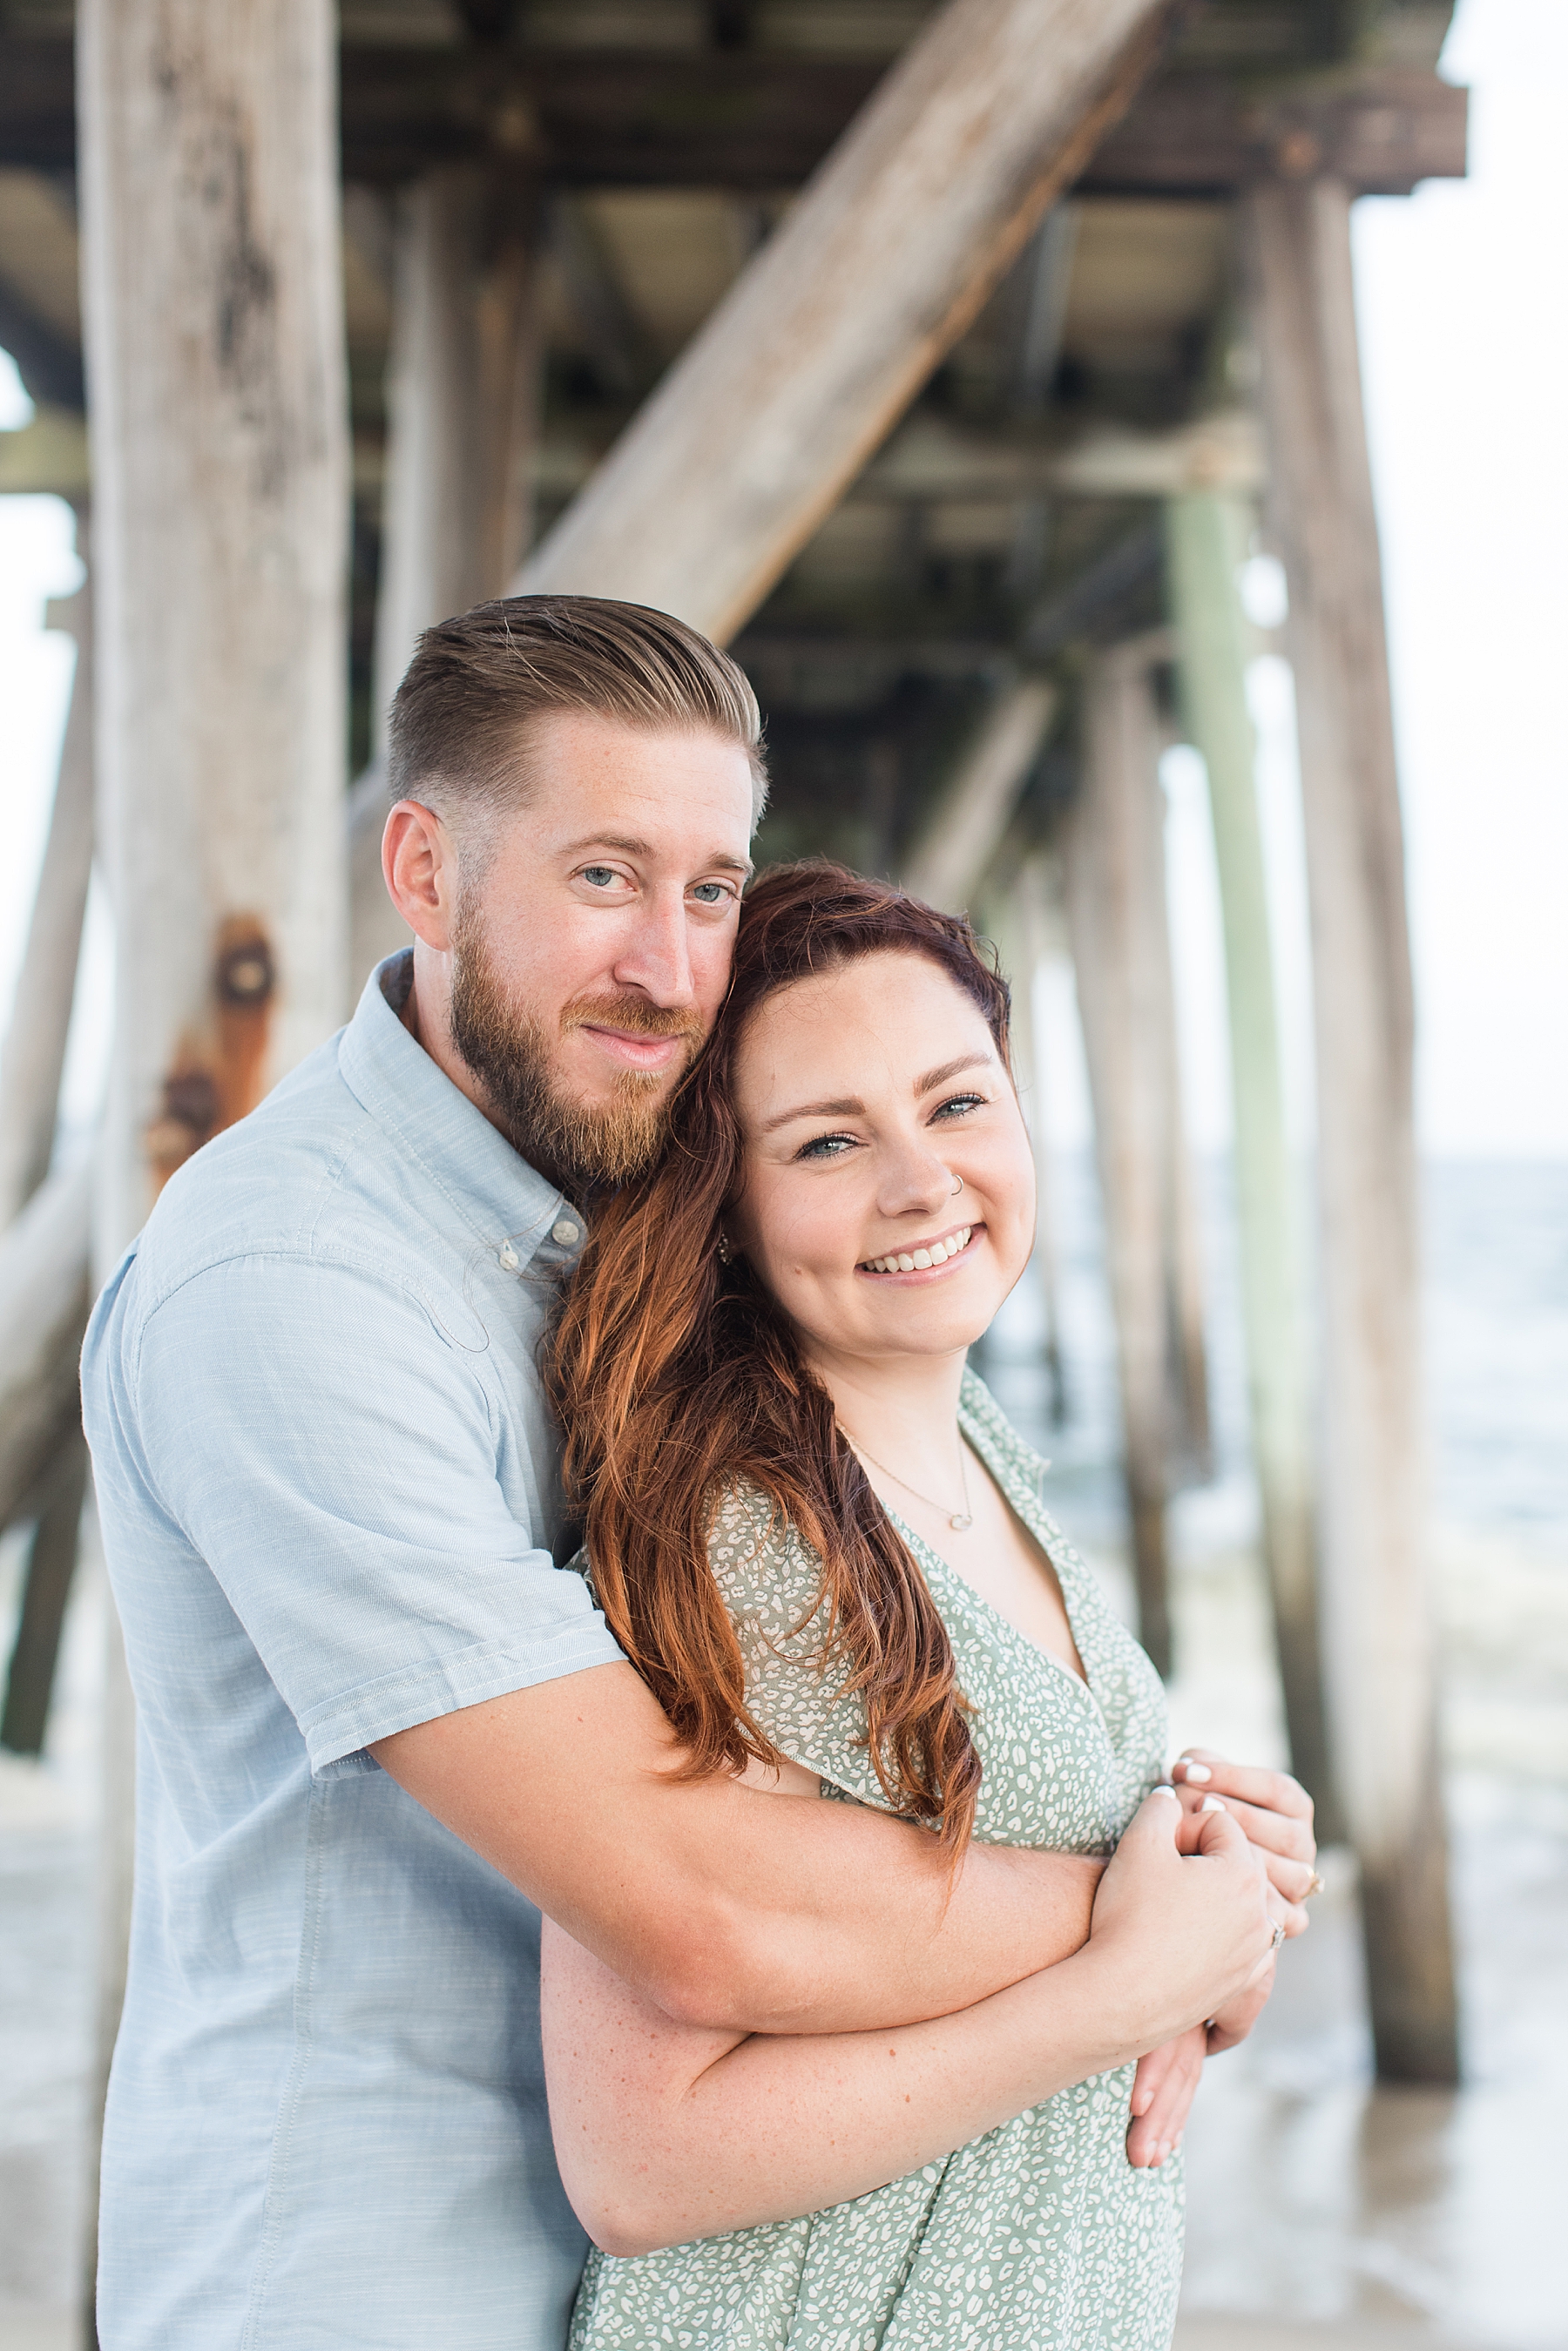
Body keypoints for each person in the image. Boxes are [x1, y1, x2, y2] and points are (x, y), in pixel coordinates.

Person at [80, 596, 1312, 2351]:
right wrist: (1155, 1924)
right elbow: (698, 1901)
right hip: (368, 2274)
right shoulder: (290, 1289)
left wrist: (1201, 1867)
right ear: (423, 874)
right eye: (603, 879)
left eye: (712, 886)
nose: (672, 964)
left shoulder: (624, 1231)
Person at [541, 862, 1313, 2350]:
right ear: (725, 1205)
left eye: (957, 1103)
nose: (920, 1182)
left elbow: (1005, 1936)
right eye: (828, 1141)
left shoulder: (979, 1457)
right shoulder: (728, 1541)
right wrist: (1123, 1979)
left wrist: (1231, 1887)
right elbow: (640, 2162)